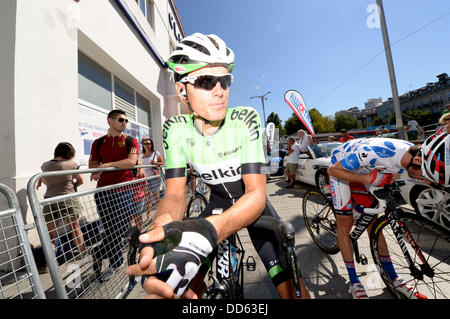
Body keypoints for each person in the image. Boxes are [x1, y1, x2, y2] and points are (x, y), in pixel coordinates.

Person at [126, 32, 310, 299]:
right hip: (219, 201)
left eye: (225, 81)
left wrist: (211, 230)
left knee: (294, 292)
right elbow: (175, 194)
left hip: (251, 204)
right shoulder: (175, 130)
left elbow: (256, 193)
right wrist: (161, 233)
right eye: (205, 80)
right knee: (180, 288)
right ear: (181, 89)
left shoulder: (244, 119)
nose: (219, 90)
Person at [327, 137, 430, 299]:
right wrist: (368, 180)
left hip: (369, 169)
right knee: (345, 223)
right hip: (341, 166)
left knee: (374, 219)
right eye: (424, 175)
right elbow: (332, 170)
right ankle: (354, 282)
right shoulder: (374, 153)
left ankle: (393, 277)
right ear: (416, 160)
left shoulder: (415, 155)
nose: (424, 179)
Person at [88, 109, 139, 281]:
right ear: (110, 120)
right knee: (110, 229)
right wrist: (99, 168)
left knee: (119, 229)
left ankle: (98, 251)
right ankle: (116, 262)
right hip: (103, 192)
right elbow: (93, 164)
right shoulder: (98, 142)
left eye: (126, 121)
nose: (124, 123)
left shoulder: (131, 140)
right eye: (120, 120)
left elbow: (131, 162)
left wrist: (105, 166)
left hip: (123, 191)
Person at [37, 142, 85, 258]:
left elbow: (43, 180)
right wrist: (73, 185)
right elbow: (81, 180)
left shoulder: (45, 165)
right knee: (74, 227)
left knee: (50, 233)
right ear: (69, 153)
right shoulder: (72, 164)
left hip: (49, 200)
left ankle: (50, 260)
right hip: (68, 198)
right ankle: (82, 252)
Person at [141, 137, 165, 221]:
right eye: (145, 144)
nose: (147, 145)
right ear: (143, 145)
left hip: (155, 178)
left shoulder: (156, 153)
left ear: (151, 145)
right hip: (146, 180)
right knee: (147, 198)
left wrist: (156, 163)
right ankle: (148, 216)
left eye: (149, 143)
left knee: (156, 196)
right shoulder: (143, 156)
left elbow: (163, 163)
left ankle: (160, 213)